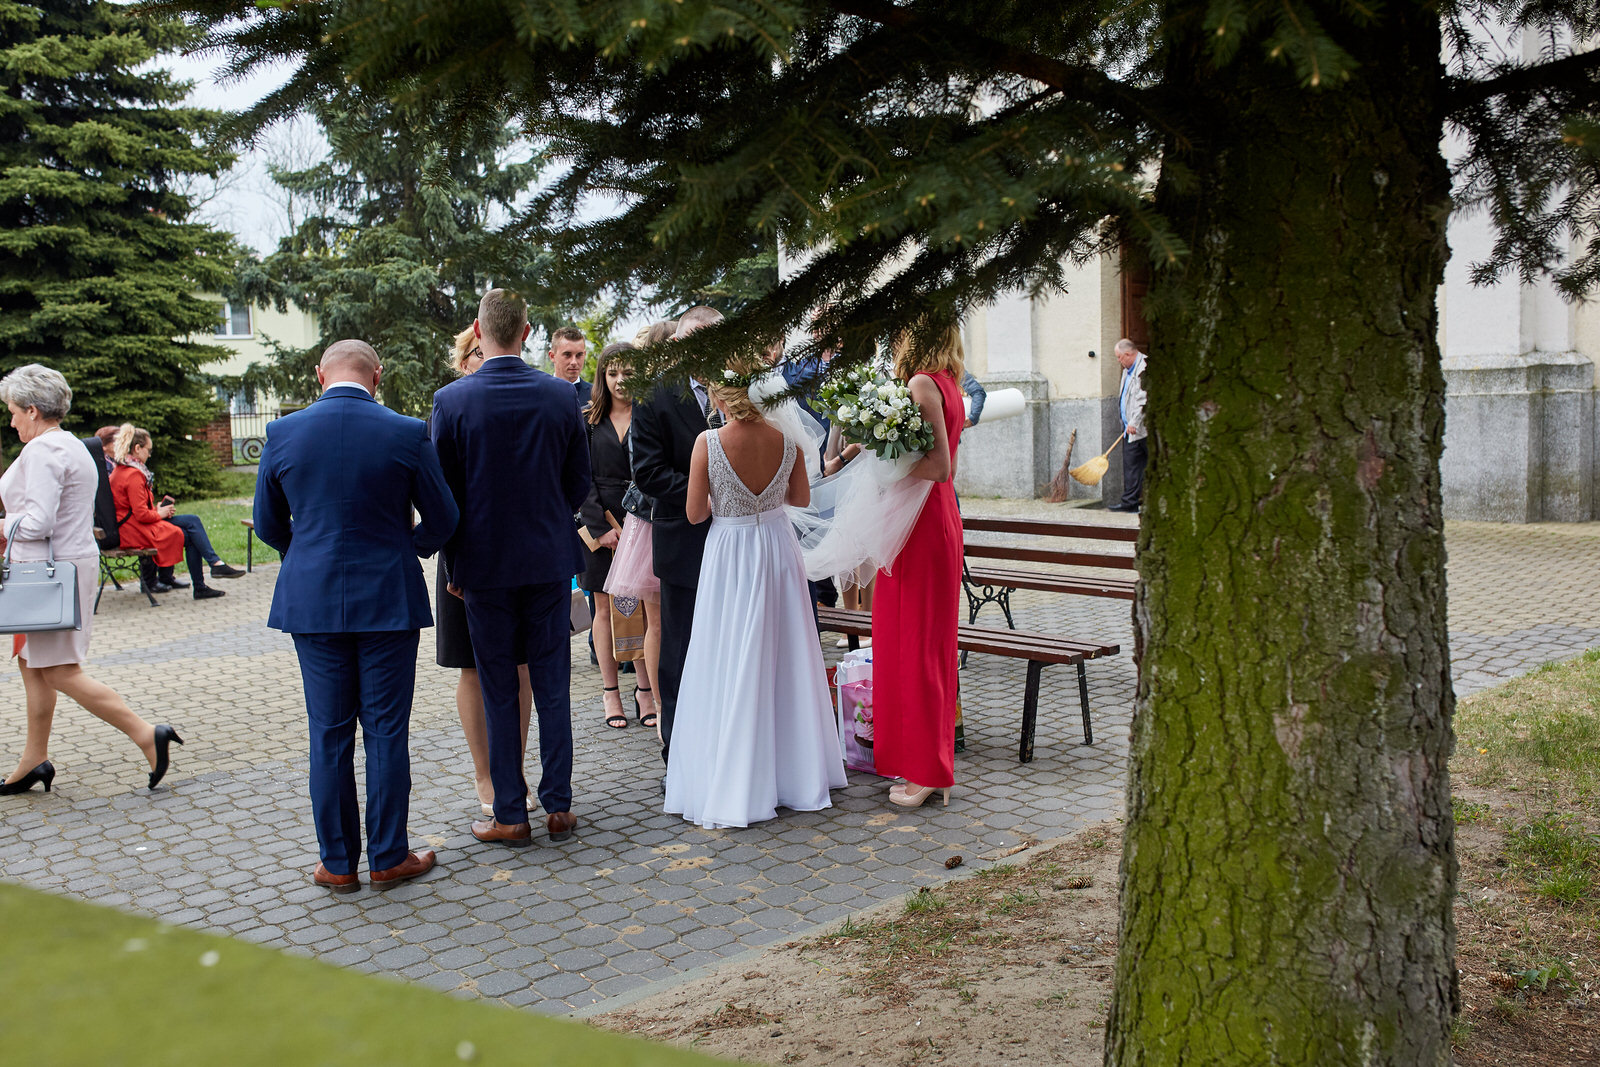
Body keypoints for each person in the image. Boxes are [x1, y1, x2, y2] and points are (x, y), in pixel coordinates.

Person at [254, 340, 458, 892]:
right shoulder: (406, 431)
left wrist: (308, 554)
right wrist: (407, 547)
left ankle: (338, 864)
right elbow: (444, 516)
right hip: (388, 598)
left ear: (320, 375)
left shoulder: (283, 432)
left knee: (328, 733)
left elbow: (267, 524)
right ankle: (388, 857)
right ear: (378, 376)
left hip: (313, 601)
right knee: (387, 731)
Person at [432, 288, 591, 848]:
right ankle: (560, 806)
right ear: (527, 332)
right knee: (552, 685)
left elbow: (444, 494)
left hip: (484, 566)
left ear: (478, 330)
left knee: (499, 687)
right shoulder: (560, 395)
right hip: (547, 559)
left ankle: (509, 814)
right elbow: (578, 481)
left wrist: (454, 562)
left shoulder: (451, 400)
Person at [663, 368, 846, 828]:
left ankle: (738, 774)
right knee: (785, 655)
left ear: (720, 398)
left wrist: (729, 499)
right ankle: (794, 773)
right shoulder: (787, 441)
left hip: (731, 551)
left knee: (729, 654)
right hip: (778, 549)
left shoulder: (708, 443)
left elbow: (694, 513)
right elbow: (800, 498)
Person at [0, 365, 184, 796]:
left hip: (47, 575)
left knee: (60, 670)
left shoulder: (44, 451)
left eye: (12, 412)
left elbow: (39, 522)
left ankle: (146, 734)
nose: (10, 421)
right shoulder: (71, 444)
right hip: (61, 568)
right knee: (32, 664)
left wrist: (2, 526)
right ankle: (33, 760)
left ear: (32, 410)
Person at [435, 326, 534, 817]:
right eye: (475, 353)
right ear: (464, 363)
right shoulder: (449, 407)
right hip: (464, 557)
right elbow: (439, 490)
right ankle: (485, 774)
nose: (484, 358)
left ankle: (513, 769)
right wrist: (453, 559)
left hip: (520, 556)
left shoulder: (524, 404)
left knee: (519, 665)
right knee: (472, 668)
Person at [870, 324, 965, 809]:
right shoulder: (949, 382)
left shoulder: (923, 383)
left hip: (922, 524)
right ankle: (927, 763)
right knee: (921, 645)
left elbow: (939, 465)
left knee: (917, 647)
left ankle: (927, 770)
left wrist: (883, 465)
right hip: (933, 516)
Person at [631, 306, 722, 768]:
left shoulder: (739, 388)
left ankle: (728, 751)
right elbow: (648, 471)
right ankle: (680, 758)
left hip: (740, 544)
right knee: (680, 653)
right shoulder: (654, 395)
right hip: (684, 540)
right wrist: (708, 493)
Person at [580, 342, 659, 730]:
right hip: (600, 522)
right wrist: (599, 528)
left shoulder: (650, 413)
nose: (620, 380)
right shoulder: (588, 421)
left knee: (644, 606)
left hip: (643, 519)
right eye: (612, 373)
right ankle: (610, 691)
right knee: (603, 606)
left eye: (628, 372)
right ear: (602, 376)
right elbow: (578, 478)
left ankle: (645, 690)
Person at [107, 424, 244, 598]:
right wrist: (160, 514)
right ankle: (207, 576)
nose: (150, 454)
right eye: (149, 450)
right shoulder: (133, 474)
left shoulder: (122, 470)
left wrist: (157, 509)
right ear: (137, 448)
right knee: (191, 534)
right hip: (134, 530)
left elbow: (132, 507)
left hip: (130, 526)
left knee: (192, 522)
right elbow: (141, 514)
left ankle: (213, 568)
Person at [1110, 339, 1148, 514]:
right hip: (1128, 429)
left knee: (1151, 465)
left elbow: (1144, 399)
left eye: (1119, 357)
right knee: (1131, 466)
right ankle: (1129, 503)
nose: (1118, 361)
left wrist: (1134, 421)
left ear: (1128, 354)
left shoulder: (1145, 367)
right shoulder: (1127, 370)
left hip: (1143, 428)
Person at [549, 325, 591, 409]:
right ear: (552, 356)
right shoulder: (539, 393)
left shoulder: (597, 395)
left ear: (584, 355)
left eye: (579, 355)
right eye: (567, 355)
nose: (574, 362)